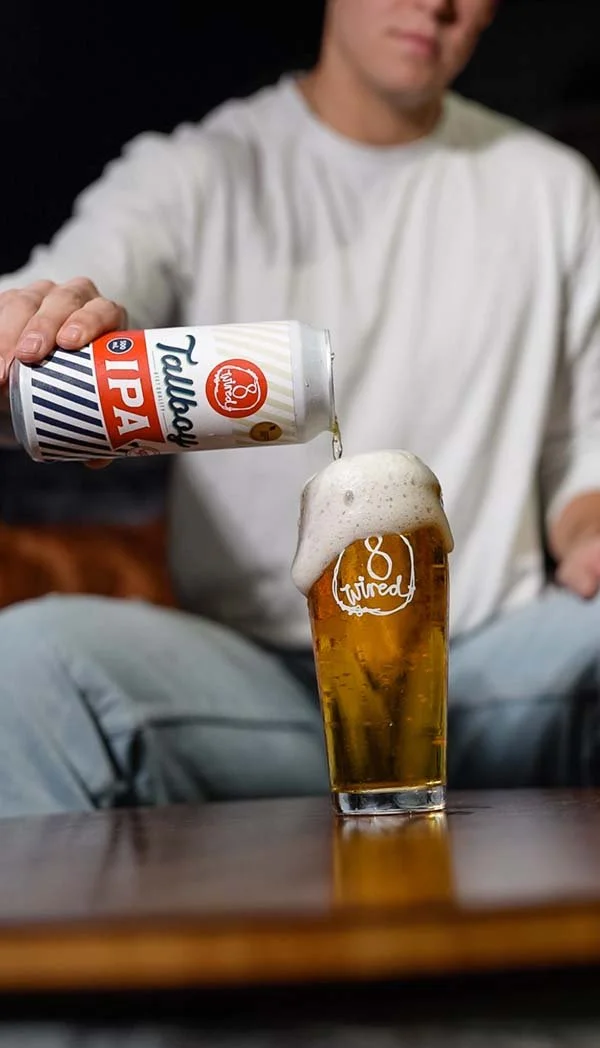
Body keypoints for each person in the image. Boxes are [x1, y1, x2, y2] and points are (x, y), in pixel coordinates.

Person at [0, 0, 599, 816]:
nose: (437, 3)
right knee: (27, 664)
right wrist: (34, 326)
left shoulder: (549, 189)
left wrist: (587, 526)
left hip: (487, 666)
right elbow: (69, 289)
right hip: (251, 677)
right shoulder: (197, 173)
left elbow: (582, 454)